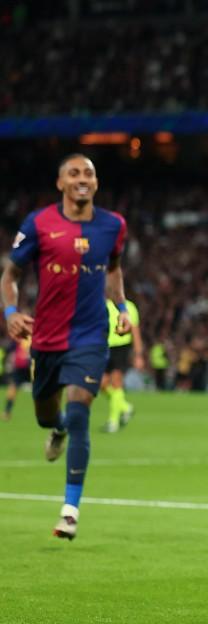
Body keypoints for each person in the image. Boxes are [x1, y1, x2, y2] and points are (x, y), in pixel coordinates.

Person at [2, 153, 132, 540]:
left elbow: (113, 268)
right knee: (48, 415)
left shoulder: (113, 226)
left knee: (80, 414)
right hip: (47, 338)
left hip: (91, 337)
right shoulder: (38, 223)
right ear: (60, 183)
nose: (82, 178)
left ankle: (70, 510)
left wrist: (122, 306)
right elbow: (11, 273)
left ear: (96, 182)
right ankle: (54, 429)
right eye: (74, 173)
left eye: (89, 173)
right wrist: (10, 310)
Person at [101, 297, 142, 432]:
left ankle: (113, 421)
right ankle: (125, 407)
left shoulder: (129, 307)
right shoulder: (103, 305)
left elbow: (135, 332)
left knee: (116, 382)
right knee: (101, 384)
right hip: (104, 346)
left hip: (121, 347)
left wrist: (138, 355)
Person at [3, 337, 32, 421]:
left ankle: (6, 412)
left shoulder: (20, 334)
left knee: (14, 387)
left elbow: (11, 349)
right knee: (41, 388)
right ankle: (47, 414)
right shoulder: (36, 333)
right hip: (30, 364)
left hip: (21, 364)